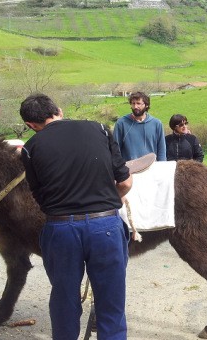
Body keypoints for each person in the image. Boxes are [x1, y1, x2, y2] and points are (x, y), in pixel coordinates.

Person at [19, 93, 133, 340]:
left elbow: (40, 197)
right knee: (111, 300)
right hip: (106, 226)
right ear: (58, 110)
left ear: (31, 126)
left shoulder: (30, 148)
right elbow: (125, 182)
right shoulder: (100, 130)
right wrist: (111, 199)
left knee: (64, 299)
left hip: (61, 229)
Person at [113, 91, 166, 161]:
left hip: (152, 168)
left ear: (146, 105)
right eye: (133, 103)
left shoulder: (156, 123)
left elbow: (161, 149)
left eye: (138, 103)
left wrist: (162, 166)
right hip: (130, 169)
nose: (135, 107)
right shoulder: (121, 123)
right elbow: (115, 149)